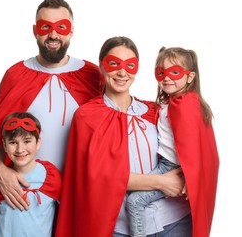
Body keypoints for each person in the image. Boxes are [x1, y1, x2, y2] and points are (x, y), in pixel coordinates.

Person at [0, 0, 102, 236]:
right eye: (46, 27)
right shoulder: (16, 76)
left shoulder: (91, 75)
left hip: (79, 194)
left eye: (62, 27)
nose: (54, 35)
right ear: (35, 31)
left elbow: (111, 130)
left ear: (72, 31)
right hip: (26, 195)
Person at [55, 36, 193, 237]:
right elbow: (99, 177)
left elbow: (186, 147)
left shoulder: (154, 111)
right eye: (114, 64)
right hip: (121, 227)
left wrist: (189, 175)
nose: (122, 72)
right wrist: (162, 182)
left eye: (130, 65)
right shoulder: (87, 117)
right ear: (101, 67)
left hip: (174, 220)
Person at [126, 46, 219, 237]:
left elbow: (192, 146)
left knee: (134, 201)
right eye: (161, 73)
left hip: (171, 167)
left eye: (174, 72)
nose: (166, 78)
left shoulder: (184, 105)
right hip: (166, 164)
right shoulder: (172, 102)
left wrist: (188, 175)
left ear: (190, 76)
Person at [0, 112, 62, 237]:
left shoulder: (51, 176)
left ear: (38, 142)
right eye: (13, 142)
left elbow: (70, 210)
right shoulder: (1, 179)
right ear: (4, 145)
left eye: (27, 141)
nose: (20, 149)